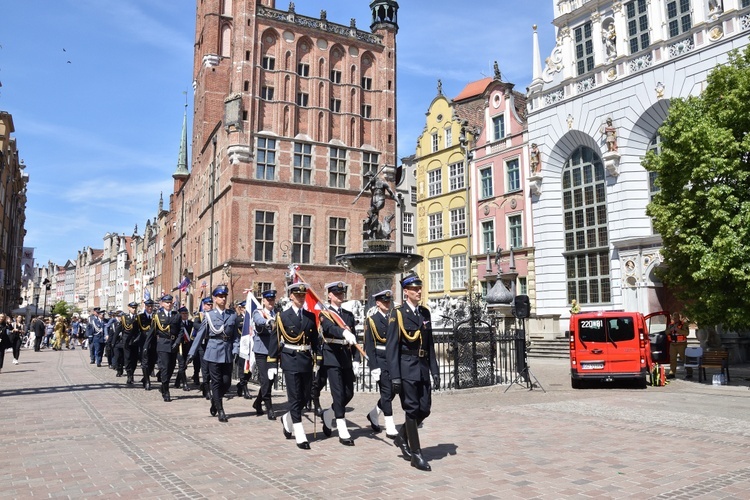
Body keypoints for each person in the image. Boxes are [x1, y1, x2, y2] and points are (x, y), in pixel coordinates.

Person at [387, 273, 439, 471]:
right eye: (414, 289)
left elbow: (430, 344)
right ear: (406, 292)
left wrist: (434, 369)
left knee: (424, 409)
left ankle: (402, 437)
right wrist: (395, 377)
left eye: (420, 288)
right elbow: (392, 348)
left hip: (423, 367)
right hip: (406, 367)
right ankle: (416, 454)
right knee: (412, 409)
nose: (418, 291)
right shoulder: (397, 314)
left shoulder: (424, 313)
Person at [268, 282, 319, 449]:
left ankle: (287, 418)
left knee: (305, 396)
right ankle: (300, 432)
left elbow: (315, 341)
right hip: (290, 359)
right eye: (298, 295)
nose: (301, 298)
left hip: (306, 359)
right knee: (295, 396)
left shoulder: (310, 317)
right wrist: (271, 363)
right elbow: (274, 340)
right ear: (291, 296)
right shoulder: (282, 316)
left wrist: (318, 359)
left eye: (303, 295)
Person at [188, 285, 240, 422]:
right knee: (216, 382)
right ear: (215, 299)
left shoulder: (232, 315)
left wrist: (236, 349)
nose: (223, 299)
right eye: (220, 297)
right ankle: (221, 410)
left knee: (227, 382)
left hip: (227, 351)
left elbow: (235, 336)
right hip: (213, 351)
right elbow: (200, 335)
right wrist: (191, 353)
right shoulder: (209, 316)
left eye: (224, 296)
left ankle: (214, 401)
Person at [318, 281, 360, 446]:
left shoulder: (348, 315)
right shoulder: (325, 313)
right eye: (336, 294)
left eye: (342, 294)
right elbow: (328, 328)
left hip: (345, 356)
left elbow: (354, 338)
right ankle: (342, 428)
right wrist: (343, 332)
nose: (340, 296)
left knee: (349, 393)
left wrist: (356, 358)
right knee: (338, 393)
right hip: (332, 356)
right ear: (330, 295)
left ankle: (329, 414)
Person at [364, 290, 398, 437]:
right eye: (384, 301)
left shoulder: (394, 318)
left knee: (393, 390)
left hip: (393, 358)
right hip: (380, 358)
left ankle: (374, 413)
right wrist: (373, 366)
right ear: (378, 303)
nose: (387, 304)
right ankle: (390, 425)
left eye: (388, 301)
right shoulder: (372, 320)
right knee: (385, 391)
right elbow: (369, 345)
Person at [251, 289, 278, 419]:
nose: (270, 302)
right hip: (261, 351)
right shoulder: (259, 312)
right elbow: (258, 321)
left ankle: (257, 402)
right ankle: (269, 407)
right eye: (268, 300)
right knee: (265, 379)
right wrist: (268, 321)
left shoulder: (277, 313)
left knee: (271, 379)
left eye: (272, 299)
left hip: (273, 351)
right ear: (263, 301)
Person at [153, 294, 181, 402]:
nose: (169, 304)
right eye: (167, 302)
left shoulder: (176, 315)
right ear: (162, 304)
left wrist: (177, 342)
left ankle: (163, 386)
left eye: (170, 302)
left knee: (171, 367)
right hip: (163, 344)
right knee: (164, 368)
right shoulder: (158, 316)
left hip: (174, 344)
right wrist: (147, 346)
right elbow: (153, 331)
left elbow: (181, 330)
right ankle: (166, 390)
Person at [193, 297, 214, 398]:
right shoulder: (200, 315)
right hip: (203, 344)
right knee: (205, 367)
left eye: (211, 304)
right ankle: (206, 388)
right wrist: (206, 326)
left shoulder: (215, 314)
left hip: (212, 343)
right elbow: (195, 324)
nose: (210, 306)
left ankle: (207, 385)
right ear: (204, 305)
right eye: (208, 305)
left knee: (212, 367)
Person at [172, 306, 193, 392]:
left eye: (186, 314)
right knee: (181, 364)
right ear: (179, 315)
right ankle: (184, 383)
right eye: (183, 314)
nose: (185, 315)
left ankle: (177, 381)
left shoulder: (191, 324)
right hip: (179, 346)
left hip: (187, 347)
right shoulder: (177, 324)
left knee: (184, 365)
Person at [138, 299, 156, 390]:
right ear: (145, 307)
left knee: (152, 362)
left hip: (153, 342)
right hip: (144, 342)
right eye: (148, 306)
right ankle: (147, 382)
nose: (150, 308)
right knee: (144, 362)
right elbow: (136, 330)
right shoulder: (140, 317)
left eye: (151, 306)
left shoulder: (156, 316)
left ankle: (145, 377)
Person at [121, 302, 140, 385]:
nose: (134, 309)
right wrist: (112, 341)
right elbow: (120, 329)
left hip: (135, 341)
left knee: (134, 360)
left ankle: (132, 372)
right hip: (126, 341)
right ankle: (129, 375)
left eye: (135, 308)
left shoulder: (139, 318)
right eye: (132, 308)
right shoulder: (125, 318)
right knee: (127, 358)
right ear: (129, 308)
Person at [668, 312, 689, 379]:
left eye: (676, 318)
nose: (675, 319)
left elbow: (686, 333)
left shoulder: (684, 324)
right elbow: (666, 332)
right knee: (672, 359)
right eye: (674, 318)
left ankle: (689, 372)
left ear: (679, 318)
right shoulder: (671, 325)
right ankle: (672, 372)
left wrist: (678, 330)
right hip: (673, 344)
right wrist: (670, 330)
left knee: (684, 359)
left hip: (681, 344)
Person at [109, 310, 125, 377]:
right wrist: (110, 343)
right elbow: (111, 335)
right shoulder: (114, 325)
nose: (120, 318)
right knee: (117, 357)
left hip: (124, 343)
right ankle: (119, 370)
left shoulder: (126, 325)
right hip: (117, 343)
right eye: (119, 317)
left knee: (123, 358)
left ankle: (122, 368)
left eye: (121, 317)